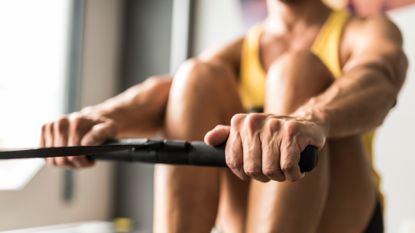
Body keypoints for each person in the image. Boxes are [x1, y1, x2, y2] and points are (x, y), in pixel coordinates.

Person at [40, 0, 408, 232]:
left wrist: (310, 118)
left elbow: (378, 78)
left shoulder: (361, 30)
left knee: (296, 71)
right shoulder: (238, 51)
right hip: (250, 222)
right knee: (195, 76)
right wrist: (97, 116)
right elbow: (165, 93)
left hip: (344, 218)